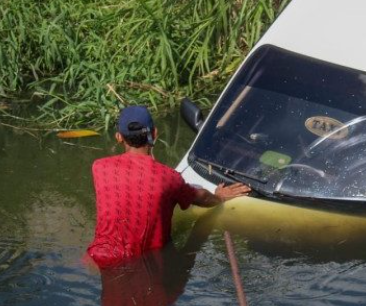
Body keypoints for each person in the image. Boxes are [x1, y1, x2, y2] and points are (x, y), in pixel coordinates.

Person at [87, 105, 250, 268]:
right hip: (147, 265)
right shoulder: (168, 178)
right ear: (155, 134)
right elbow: (201, 197)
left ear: (118, 137)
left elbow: (129, 191)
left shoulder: (99, 167)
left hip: (96, 258)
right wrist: (220, 196)